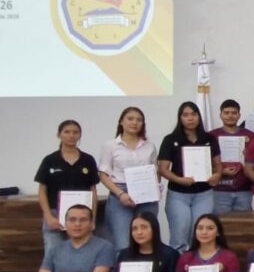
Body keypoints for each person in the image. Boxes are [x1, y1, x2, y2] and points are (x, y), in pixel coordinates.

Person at [158, 102, 222, 251]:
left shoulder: (209, 139)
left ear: (199, 116)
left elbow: (218, 164)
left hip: (204, 194)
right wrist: (180, 180)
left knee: (202, 235)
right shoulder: (170, 139)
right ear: (180, 118)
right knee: (179, 236)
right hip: (178, 195)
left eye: (194, 114)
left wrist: (217, 175)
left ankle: (198, 269)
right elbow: (163, 169)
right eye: (185, 115)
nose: (190, 118)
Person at [35, 120, 100, 259]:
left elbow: (93, 190)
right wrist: (48, 216)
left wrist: (92, 218)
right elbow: (42, 191)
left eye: (75, 132)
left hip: (81, 217)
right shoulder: (50, 160)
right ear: (59, 135)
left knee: (82, 256)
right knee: (54, 255)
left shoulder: (88, 160)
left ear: (80, 135)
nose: (71, 135)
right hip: (55, 215)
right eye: (67, 132)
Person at [98, 106, 159, 251]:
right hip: (120, 194)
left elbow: (155, 171)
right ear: (121, 122)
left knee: (146, 240)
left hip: (147, 196)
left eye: (139, 120)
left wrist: (155, 189)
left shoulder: (150, 146)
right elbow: (103, 175)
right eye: (130, 119)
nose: (134, 122)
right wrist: (120, 194)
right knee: (123, 243)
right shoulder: (110, 146)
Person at [209, 99, 254, 214]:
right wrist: (221, 172)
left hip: (244, 190)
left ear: (239, 115)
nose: (230, 116)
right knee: (220, 226)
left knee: (242, 228)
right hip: (219, 190)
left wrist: (249, 156)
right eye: (226, 113)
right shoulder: (211, 136)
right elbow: (205, 163)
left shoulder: (250, 135)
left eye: (234, 113)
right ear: (220, 115)